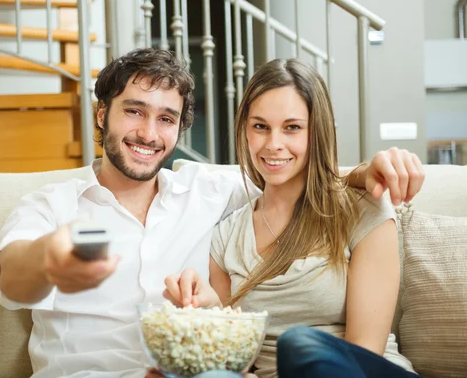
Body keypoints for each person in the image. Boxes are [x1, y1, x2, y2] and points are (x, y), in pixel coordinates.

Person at [0, 48, 425, 378]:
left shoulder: (207, 191)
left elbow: (297, 175)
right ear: (102, 113)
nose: (148, 132)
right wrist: (49, 259)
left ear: (180, 129)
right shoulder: (52, 205)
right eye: (134, 111)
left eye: (166, 118)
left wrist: (365, 173)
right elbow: (12, 277)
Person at [163, 58, 421, 378]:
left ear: (317, 132)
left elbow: (364, 351)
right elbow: (238, 360)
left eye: (292, 127)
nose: (274, 144)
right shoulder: (226, 236)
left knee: (298, 344)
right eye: (260, 126)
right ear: (245, 130)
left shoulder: (363, 209)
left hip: (358, 371)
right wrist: (207, 308)